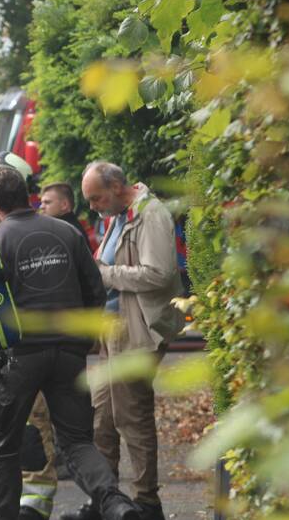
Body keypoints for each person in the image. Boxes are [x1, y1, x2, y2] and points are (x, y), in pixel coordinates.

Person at [0, 168, 141, 520]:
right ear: (29, 196)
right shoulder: (67, 232)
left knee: (3, 446)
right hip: (68, 354)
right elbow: (95, 290)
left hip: (19, 359)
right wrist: (81, 340)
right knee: (77, 441)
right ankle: (116, 505)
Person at [63, 163, 184, 520]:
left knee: (132, 416)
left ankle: (147, 503)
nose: (94, 206)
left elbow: (159, 274)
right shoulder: (121, 214)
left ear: (117, 186)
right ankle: (107, 499)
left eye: (96, 197)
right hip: (115, 328)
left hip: (137, 330)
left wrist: (105, 274)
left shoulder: (151, 215)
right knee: (101, 416)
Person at [0, 152, 59, 520]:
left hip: (28, 348)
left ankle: (35, 501)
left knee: (34, 429)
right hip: (1, 354)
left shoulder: (36, 231)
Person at [40, 182, 93, 247]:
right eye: (42, 203)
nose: (41, 207)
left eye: (47, 202)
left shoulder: (64, 231)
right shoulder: (70, 228)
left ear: (64, 205)